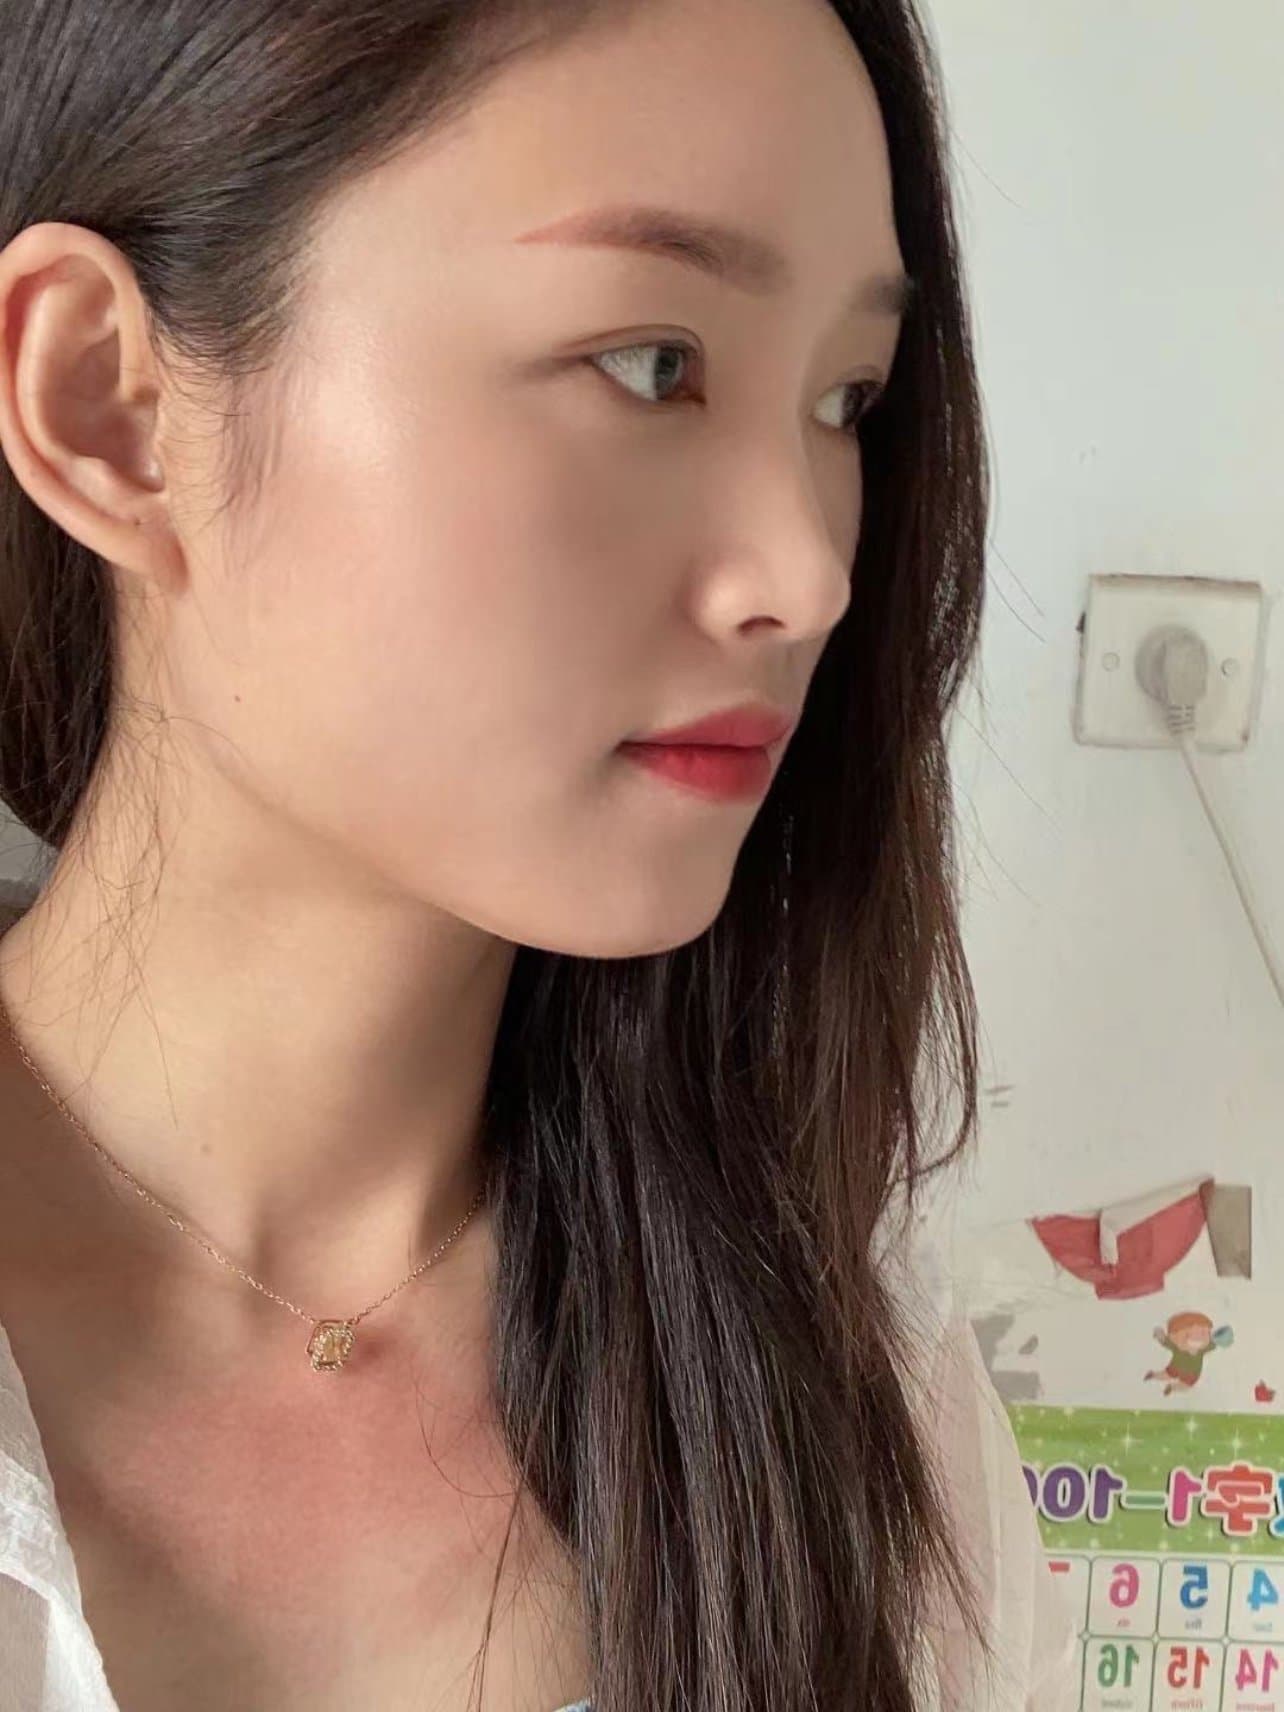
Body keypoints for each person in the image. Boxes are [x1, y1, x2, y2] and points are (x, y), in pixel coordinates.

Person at [0, 0, 1079, 1706]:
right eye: (652, 363)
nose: (807, 573)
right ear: (108, 403)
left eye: (847, 398)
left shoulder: (874, 1420)